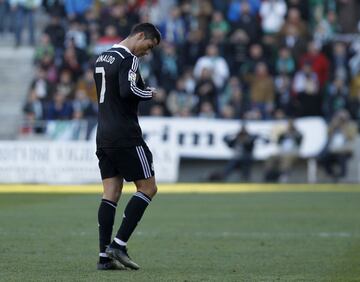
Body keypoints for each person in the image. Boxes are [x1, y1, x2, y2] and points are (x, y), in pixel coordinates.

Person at [93, 23, 161, 271]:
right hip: (125, 135)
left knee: (110, 192)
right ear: (140, 35)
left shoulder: (102, 58)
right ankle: (119, 245)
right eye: (149, 46)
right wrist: (150, 92)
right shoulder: (128, 58)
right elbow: (127, 90)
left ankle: (104, 257)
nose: (147, 52)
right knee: (148, 187)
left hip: (103, 134)